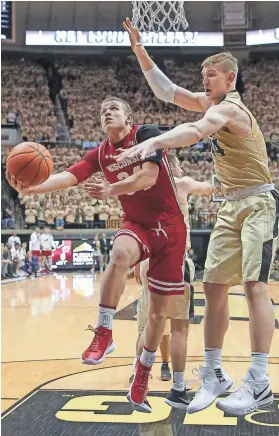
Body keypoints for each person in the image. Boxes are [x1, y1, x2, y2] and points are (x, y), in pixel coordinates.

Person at [120, 19, 279, 416]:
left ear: (230, 78)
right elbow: (167, 92)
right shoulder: (210, 101)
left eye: (210, 76)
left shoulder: (230, 109)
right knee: (212, 287)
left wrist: (153, 142)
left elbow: (196, 130)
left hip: (258, 202)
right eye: (202, 76)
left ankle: (259, 380)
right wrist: (140, 51)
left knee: (256, 286)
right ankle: (214, 373)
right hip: (229, 202)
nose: (204, 82)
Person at [7, 96, 186, 413]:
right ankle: (104, 331)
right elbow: (68, 176)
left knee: (158, 316)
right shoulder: (101, 153)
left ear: (129, 118)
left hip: (171, 229)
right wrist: (33, 188)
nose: (106, 113)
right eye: (102, 110)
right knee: (118, 255)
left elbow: (148, 177)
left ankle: (142, 374)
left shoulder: (146, 134)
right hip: (139, 225)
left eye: (113, 109)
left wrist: (110, 190)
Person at [133, 153, 213, 409]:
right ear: (171, 166)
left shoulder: (140, 188)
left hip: (148, 259)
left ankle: (139, 382)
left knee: (148, 324)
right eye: (178, 164)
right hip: (175, 261)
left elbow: (133, 225)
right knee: (179, 328)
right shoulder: (182, 184)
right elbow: (214, 186)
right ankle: (178, 388)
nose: (181, 169)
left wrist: (137, 262)